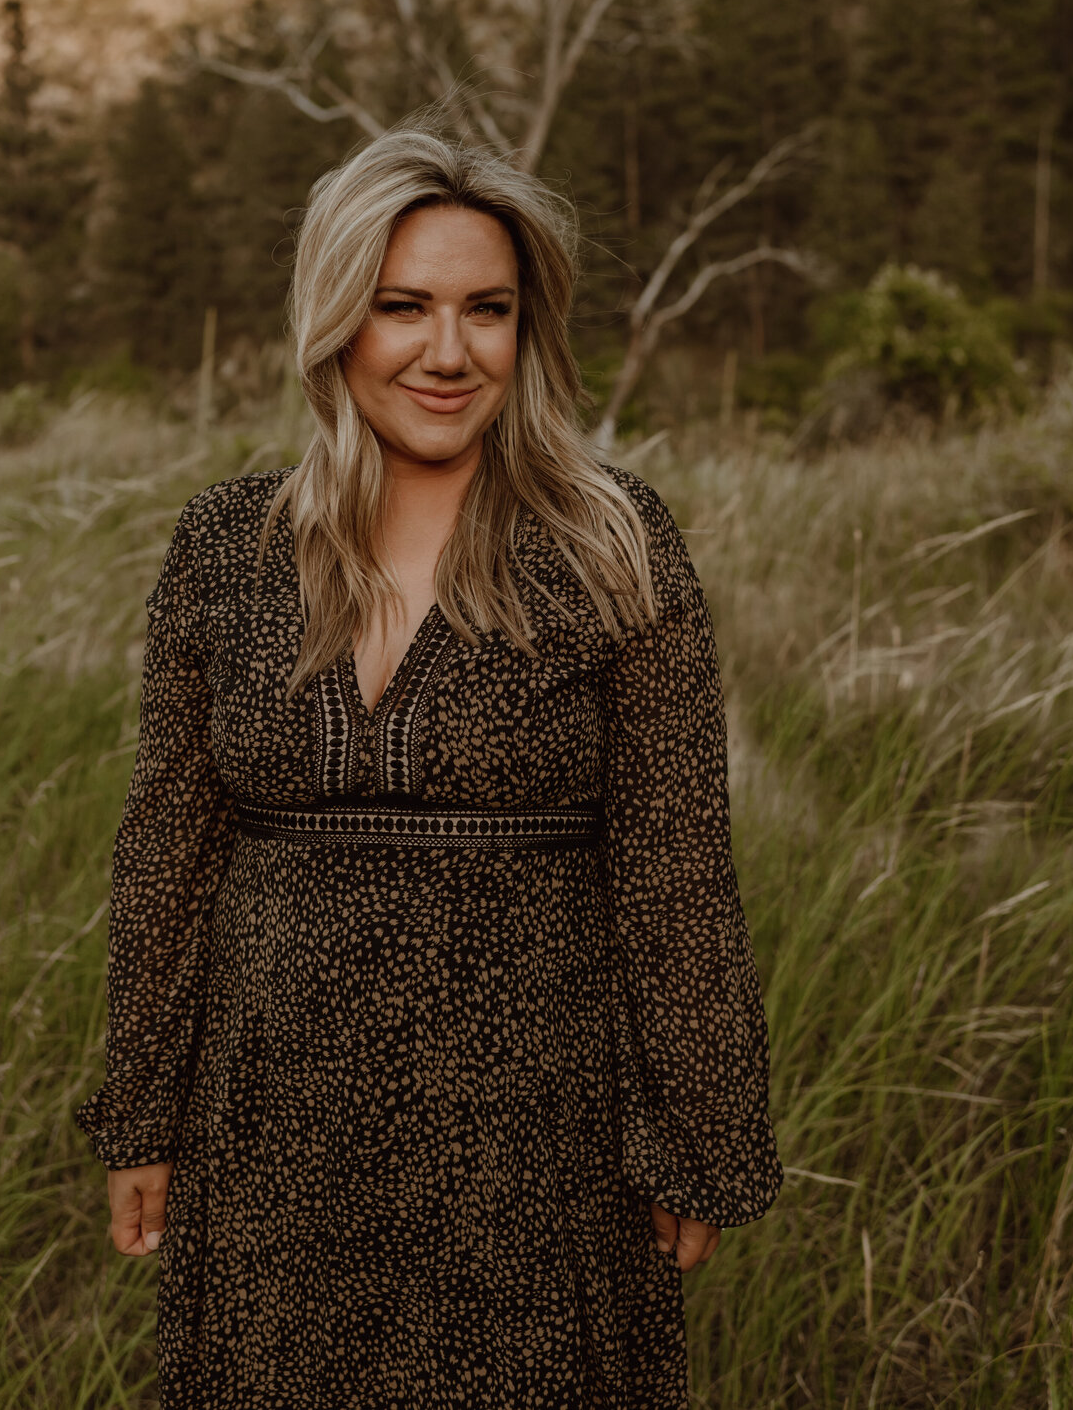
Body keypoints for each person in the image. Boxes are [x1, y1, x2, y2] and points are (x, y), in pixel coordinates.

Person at [75, 125, 781, 1407]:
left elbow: (679, 875)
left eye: (486, 310)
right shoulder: (230, 547)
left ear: (529, 329)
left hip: (537, 1162)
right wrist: (142, 1116)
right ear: (338, 318)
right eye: (404, 306)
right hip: (269, 1151)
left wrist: (700, 1136)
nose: (448, 353)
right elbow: (165, 856)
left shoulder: (612, 546)